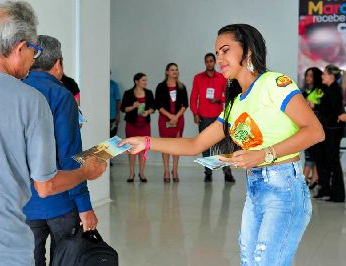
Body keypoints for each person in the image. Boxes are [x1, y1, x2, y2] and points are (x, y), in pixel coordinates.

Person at [121, 24, 324, 265]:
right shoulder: (234, 104)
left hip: (284, 190)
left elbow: (315, 131)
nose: (219, 59)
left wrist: (263, 155)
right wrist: (146, 142)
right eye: (217, 53)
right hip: (256, 189)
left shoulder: (274, 83)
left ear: (247, 51)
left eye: (225, 50)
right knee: (250, 261)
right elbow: (195, 144)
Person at [0, 2, 106, 265]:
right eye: (34, 50)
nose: (34, 58)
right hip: (4, 247)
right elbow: (46, 185)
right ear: (20, 48)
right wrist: (86, 171)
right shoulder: (30, 101)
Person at [22, 35, 98, 266]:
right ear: (58, 64)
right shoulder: (61, 95)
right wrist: (85, 206)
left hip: (23, 203)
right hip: (60, 202)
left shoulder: (15, 89)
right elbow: (70, 156)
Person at [190, 53, 235, 182]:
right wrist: (195, 113)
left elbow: (227, 96)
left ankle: (227, 172)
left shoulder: (221, 77)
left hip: (217, 117)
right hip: (203, 116)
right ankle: (208, 172)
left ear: (214, 62)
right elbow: (194, 97)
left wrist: (218, 99)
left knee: (223, 145)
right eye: (207, 61)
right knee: (204, 145)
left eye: (211, 61)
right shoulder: (198, 78)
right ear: (205, 63)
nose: (209, 63)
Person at [314, 64, 345, 202]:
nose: (322, 76)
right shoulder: (329, 89)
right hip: (328, 131)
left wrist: (329, 119)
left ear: (331, 76)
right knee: (326, 161)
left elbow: (337, 111)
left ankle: (338, 195)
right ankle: (327, 191)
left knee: (333, 162)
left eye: (324, 74)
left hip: (332, 131)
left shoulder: (334, 90)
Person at [155, 63, 188, 183]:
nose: (175, 71)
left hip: (178, 119)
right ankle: (166, 171)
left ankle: (175, 170)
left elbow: (185, 104)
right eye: (172, 70)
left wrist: (176, 116)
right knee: (165, 145)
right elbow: (158, 105)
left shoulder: (182, 87)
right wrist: (170, 116)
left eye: (176, 70)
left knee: (177, 145)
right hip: (164, 119)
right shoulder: (161, 87)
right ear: (167, 72)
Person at [121, 73, 155, 182]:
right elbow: (123, 109)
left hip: (144, 125)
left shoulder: (149, 93)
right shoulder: (128, 93)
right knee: (131, 149)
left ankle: (142, 173)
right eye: (143, 80)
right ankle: (131, 174)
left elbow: (153, 107)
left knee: (143, 149)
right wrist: (133, 106)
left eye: (146, 80)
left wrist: (148, 112)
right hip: (132, 124)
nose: (145, 82)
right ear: (136, 81)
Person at [301, 67, 323, 189]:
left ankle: (307, 179)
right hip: (306, 126)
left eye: (310, 75)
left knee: (313, 154)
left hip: (317, 127)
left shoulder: (320, 91)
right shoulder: (305, 91)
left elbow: (319, 107)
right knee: (310, 153)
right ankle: (313, 179)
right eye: (306, 75)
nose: (307, 78)